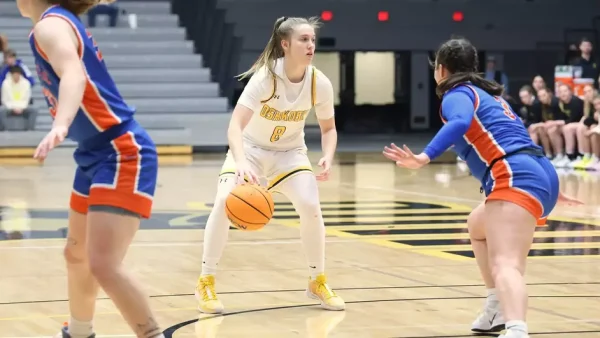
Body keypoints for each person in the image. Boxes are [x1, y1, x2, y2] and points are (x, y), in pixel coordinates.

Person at [382, 38, 582, 338]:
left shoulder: (456, 94)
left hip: (516, 175)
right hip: (539, 172)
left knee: (506, 263)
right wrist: (545, 184)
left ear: (441, 69)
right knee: (477, 226)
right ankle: (495, 305)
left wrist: (425, 156)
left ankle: (516, 328)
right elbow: (515, 136)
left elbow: (459, 123)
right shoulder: (491, 97)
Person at [18, 0, 162, 337]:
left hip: (121, 151)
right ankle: (80, 332)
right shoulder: (55, 22)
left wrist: (60, 125)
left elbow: (74, 74)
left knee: (104, 265)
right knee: (76, 254)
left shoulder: (49, 25)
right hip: (95, 152)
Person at [195, 16, 345, 314]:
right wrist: (239, 162)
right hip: (250, 151)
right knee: (224, 202)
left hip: (289, 154)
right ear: (285, 44)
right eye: (303, 39)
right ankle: (205, 281)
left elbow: (329, 129)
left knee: (310, 205)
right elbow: (235, 126)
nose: (310, 45)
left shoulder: (319, 83)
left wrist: (328, 154)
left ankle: (317, 280)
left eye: (312, 40)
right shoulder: (266, 78)